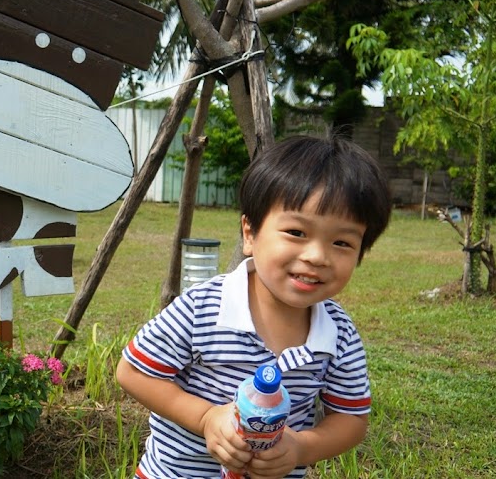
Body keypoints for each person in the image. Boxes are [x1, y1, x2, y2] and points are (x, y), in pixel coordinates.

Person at [117, 134, 392, 479]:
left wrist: (302, 447)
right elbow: (134, 372)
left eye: (342, 242)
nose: (317, 256)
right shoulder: (203, 307)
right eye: (296, 232)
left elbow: (351, 420)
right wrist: (205, 418)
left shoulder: (338, 334)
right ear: (250, 233)